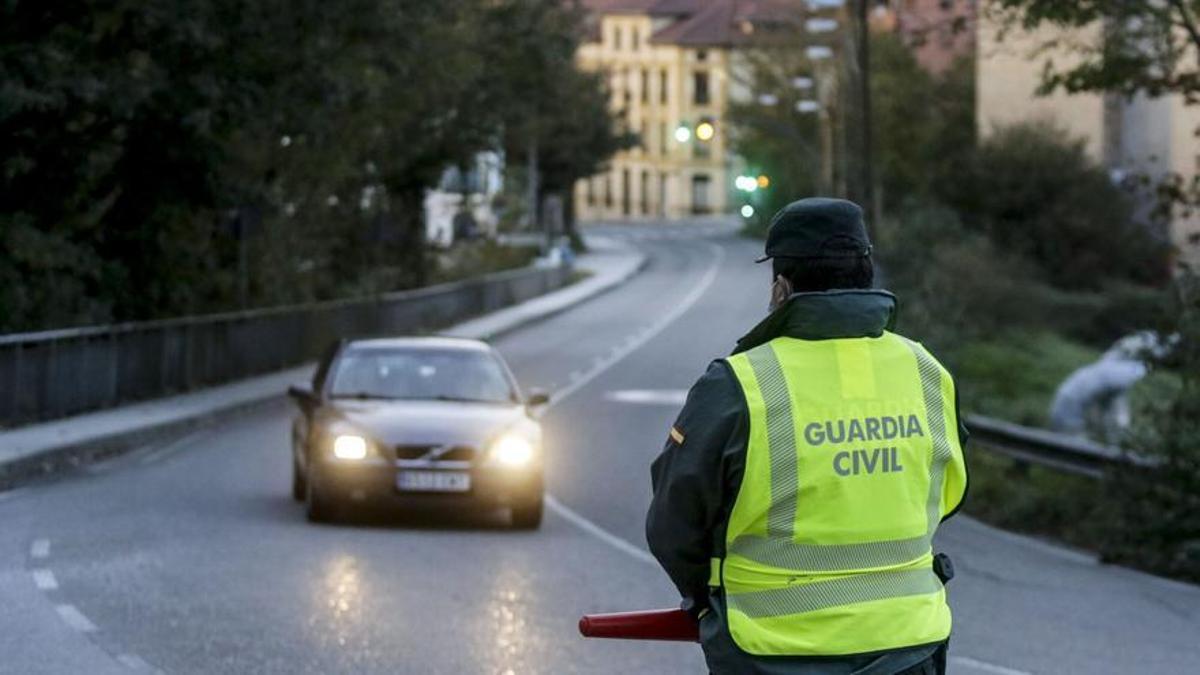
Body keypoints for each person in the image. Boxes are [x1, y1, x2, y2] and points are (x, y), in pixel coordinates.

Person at [646, 198, 968, 674]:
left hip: (771, 653)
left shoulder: (741, 383)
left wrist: (704, 598)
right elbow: (951, 494)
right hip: (909, 647)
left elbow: (674, 522)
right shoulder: (926, 371)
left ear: (781, 287)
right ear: (867, 273)